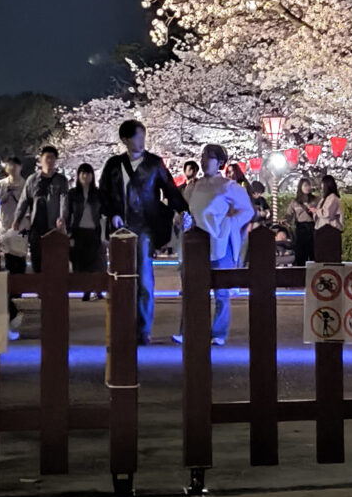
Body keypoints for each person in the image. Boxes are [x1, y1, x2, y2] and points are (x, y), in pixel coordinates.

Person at [100, 120, 187, 345]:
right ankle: (123, 325)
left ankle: (144, 328)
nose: (142, 140)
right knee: (121, 279)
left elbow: (170, 189)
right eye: (138, 136)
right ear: (126, 139)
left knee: (145, 279)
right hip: (121, 229)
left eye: (143, 136)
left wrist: (182, 210)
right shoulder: (113, 165)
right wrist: (112, 213)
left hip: (145, 226)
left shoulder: (154, 163)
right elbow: (104, 194)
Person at [172, 144, 253, 346]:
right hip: (195, 241)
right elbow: (183, 209)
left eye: (209, 157)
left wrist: (228, 224)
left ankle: (219, 332)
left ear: (220, 162)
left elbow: (247, 211)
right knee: (192, 288)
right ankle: (188, 329)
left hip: (220, 241)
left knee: (221, 291)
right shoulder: (194, 186)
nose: (204, 160)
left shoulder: (228, 186)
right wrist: (181, 219)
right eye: (202, 156)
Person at [13, 145, 68, 273]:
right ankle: (40, 289)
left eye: (52, 158)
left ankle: (53, 290)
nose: (49, 161)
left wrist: (62, 219)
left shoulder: (61, 180)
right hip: (36, 225)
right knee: (37, 260)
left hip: (53, 226)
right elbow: (24, 200)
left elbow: (64, 200)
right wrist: (17, 220)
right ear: (41, 160)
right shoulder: (32, 180)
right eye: (47, 157)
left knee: (54, 260)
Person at [0, 156, 27, 335]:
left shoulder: (26, 184)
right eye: (9, 166)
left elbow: (30, 206)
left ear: (20, 167)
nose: (12, 169)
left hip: (21, 230)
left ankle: (15, 298)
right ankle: (10, 302)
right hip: (4, 229)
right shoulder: (0, 184)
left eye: (15, 166)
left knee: (18, 264)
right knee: (5, 266)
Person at [64, 163, 104, 300]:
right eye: (82, 173)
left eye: (87, 173)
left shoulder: (97, 194)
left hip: (93, 231)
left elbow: (103, 213)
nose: (85, 176)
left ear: (92, 176)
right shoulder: (72, 194)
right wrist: (69, 234)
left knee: (95, 262)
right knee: (81, 263)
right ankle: (86, 289)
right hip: (78, 232)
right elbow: (67, 215)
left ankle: (94, 290)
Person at [285, 177, 317, 265]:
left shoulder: (315, 200)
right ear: (300, 187)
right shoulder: (295, 202)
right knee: (301, 253)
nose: (308, 187)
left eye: (309, 185)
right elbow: (289, 214)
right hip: (301, 228)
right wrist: (285, 220)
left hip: (312, 227)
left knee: (312, 252)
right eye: (305, 185)